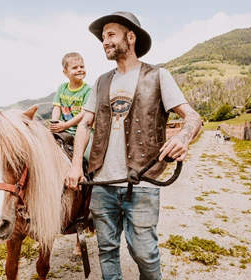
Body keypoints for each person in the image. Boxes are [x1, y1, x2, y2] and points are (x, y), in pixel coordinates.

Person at [65, 11, 202, 280]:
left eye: (111, 34)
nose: (105, 41)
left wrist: (182, 137)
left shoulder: (159, 76)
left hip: (143, 183)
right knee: (106, 249)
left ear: (131, 36)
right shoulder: (101, 81)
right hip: (102, 183)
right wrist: (74, 166)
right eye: (103, 37)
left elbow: (193, 117)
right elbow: (84, 124)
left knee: (144, 252)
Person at [50, 52, 92, 161]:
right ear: (65, 72)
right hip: (63, 128)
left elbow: (84, 113)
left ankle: (91, 175)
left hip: (82, 130)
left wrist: (65, 125)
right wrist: (55, 123)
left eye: (82, 66)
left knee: (88, 155)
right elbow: (57, 107)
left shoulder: (88, 90)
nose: (79, 69)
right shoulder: (62, 88)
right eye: (74, 68)